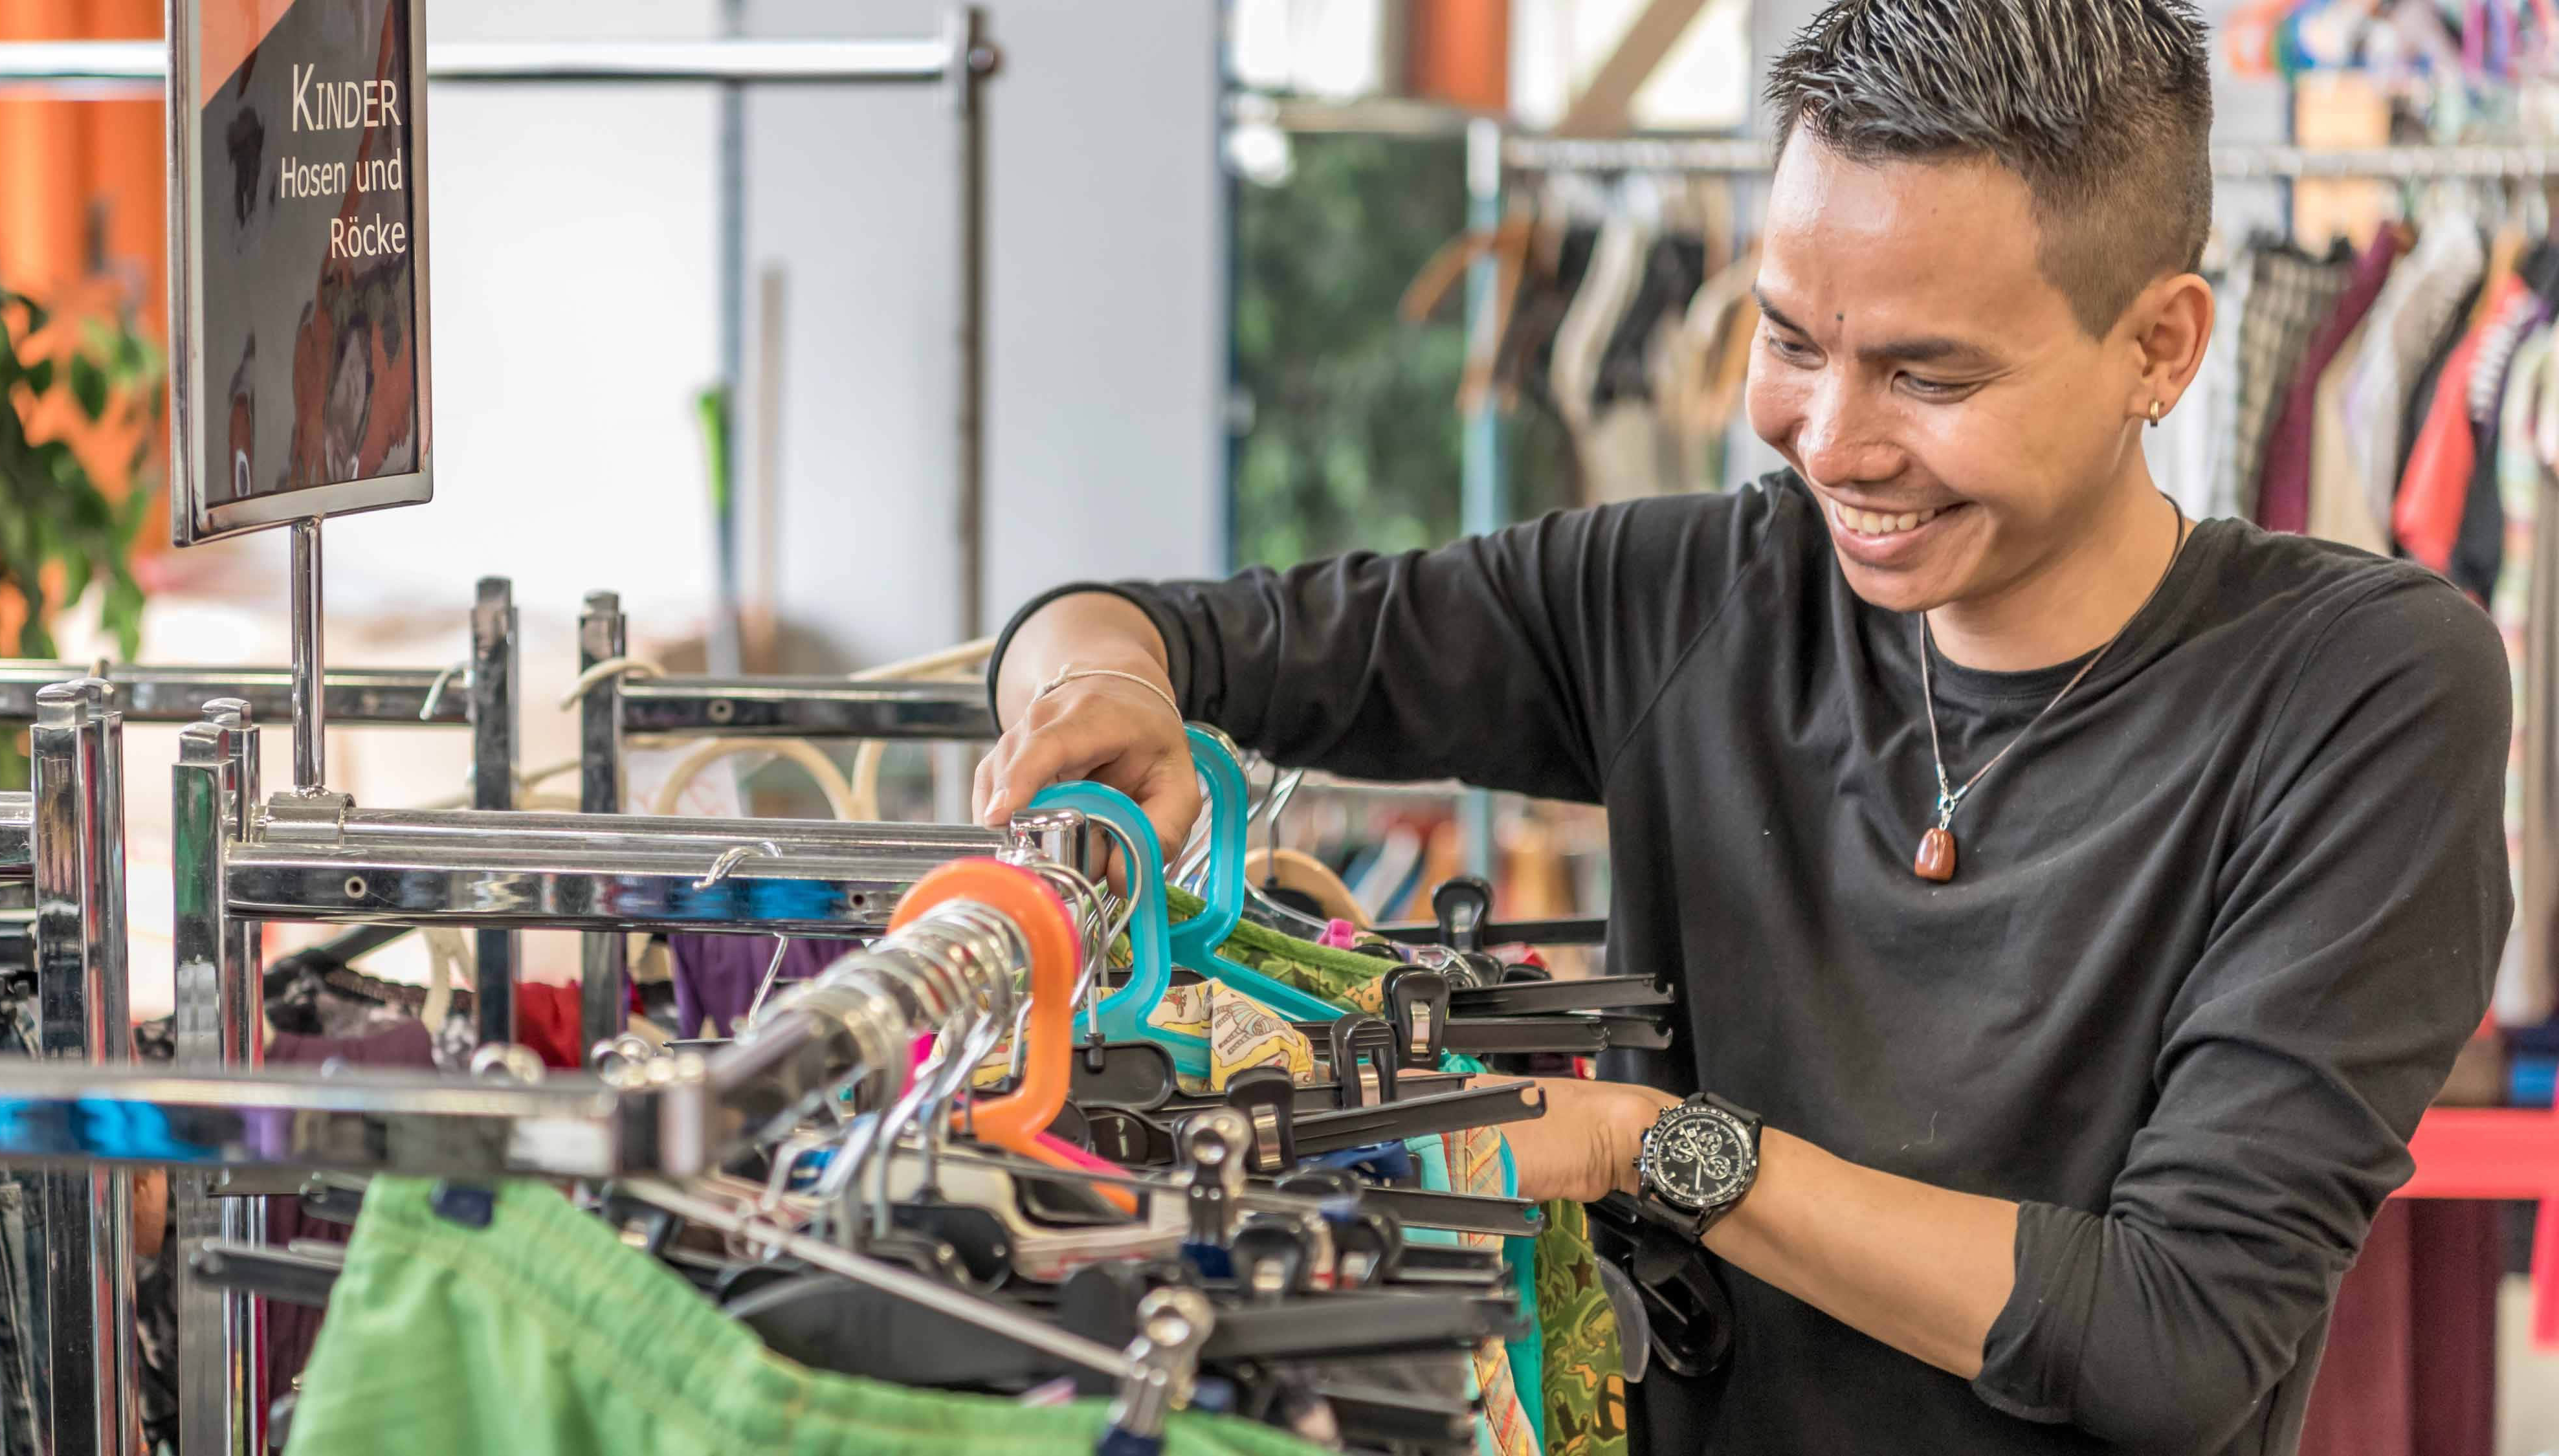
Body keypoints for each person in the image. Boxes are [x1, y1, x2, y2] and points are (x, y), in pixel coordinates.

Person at [975, 1, 2512, 1450]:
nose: (1828, 441)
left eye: (1926, 372)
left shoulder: (2357, 692)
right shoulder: (1684, 594)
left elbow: (2173, 1341)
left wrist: (1642, 1146)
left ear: (2159, 350)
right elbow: (1125, 624)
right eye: (1787, 342)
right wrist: (1094, 691)